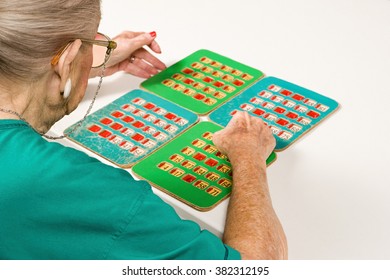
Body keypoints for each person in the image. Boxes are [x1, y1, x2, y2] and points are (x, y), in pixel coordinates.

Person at [0, 0, 287, 260]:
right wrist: (249, 157)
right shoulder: (82, 190)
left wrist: (85, 67)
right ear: (66, 60)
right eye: (93, 42)